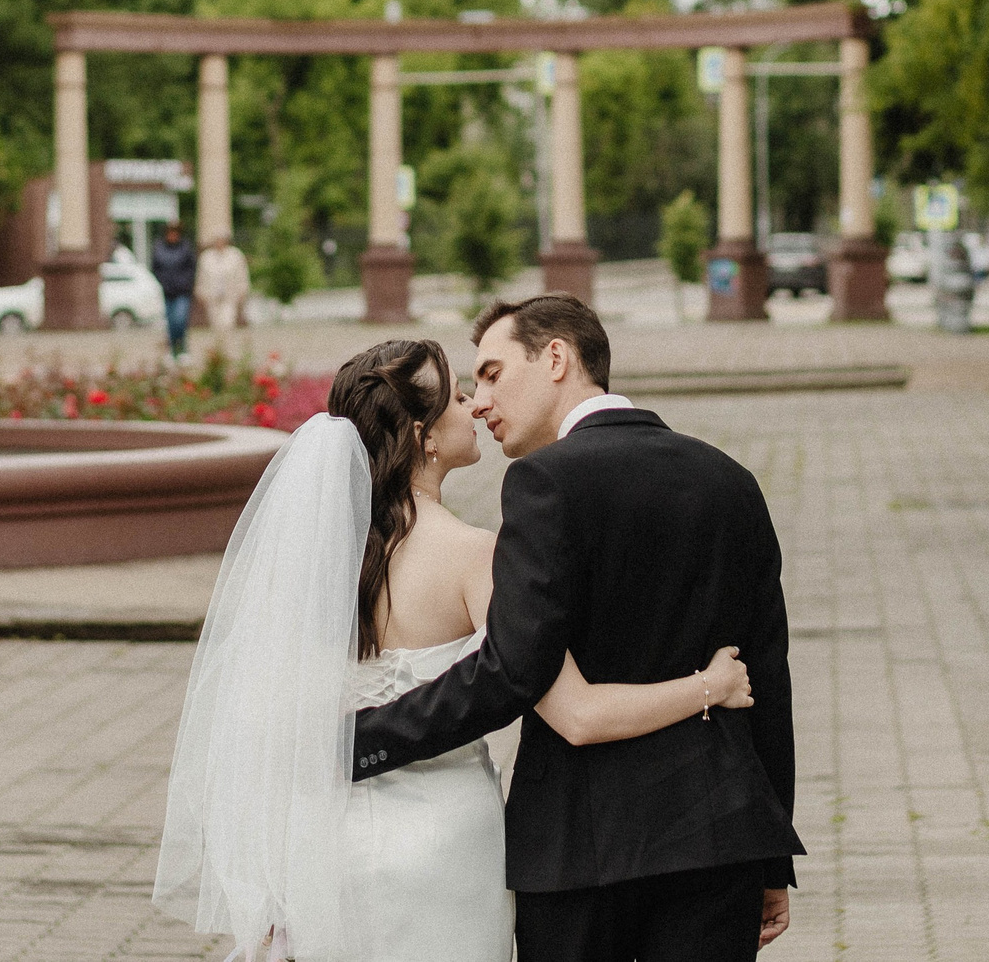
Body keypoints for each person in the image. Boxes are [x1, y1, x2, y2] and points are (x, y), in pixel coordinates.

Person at [156, 336, 758, 962]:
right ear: (425, 438)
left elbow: (271, 720)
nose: (475, 405)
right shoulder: (475, 556)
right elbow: (576, 715)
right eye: (458, 397)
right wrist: (709, 686)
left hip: (326, 847)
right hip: (442, 845)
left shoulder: (316, 565)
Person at [354, 296, 800, 960]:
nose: (480, 401)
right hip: (720, 839)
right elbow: (767, 671)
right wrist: (770, 857)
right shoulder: (730, 479)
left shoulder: (543, 481)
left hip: (579, 851)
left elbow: (512, 670)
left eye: (494, 373)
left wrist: (360, 740)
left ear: (557, 357)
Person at [193, 232, 252, 359]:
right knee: (216, 325)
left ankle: (228, 352)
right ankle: (219, 352)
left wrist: (243, 290)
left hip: (230, 297)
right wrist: (200, 291)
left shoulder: (235, 255)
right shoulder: (206, 257)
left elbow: (242, 274)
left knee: (227, 323)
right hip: (212, 297)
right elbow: (201, 276)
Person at [150, 220, 197, 358]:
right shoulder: (159, 248)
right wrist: (163, 281)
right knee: (170, 322)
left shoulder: (185, 247)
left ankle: (182, 348)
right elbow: (155, 267)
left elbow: (192, 268)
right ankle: (172, 350)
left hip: (182, 291)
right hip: (167, 291)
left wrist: (186, 283)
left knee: (180, 320)